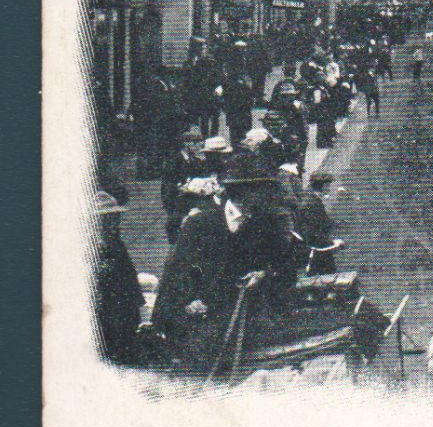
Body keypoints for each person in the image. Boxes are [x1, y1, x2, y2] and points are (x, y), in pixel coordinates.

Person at [150, 151, 303, 372]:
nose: (266, 196)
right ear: (241, 192)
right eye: (259, 190)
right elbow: (176, 274)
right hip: (205, 321)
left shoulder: (268, 224)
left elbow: (287, 267)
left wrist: (264, 274)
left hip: (252, 318)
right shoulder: (199, 224)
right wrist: (189, 301)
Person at [91, 190, 144, 365]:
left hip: (123, 307)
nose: (115, 221)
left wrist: (136, 302)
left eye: (115, 216)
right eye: (109, 217)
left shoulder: (114, 240)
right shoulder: (95, 245)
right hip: (107, 308)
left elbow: (127, 272)